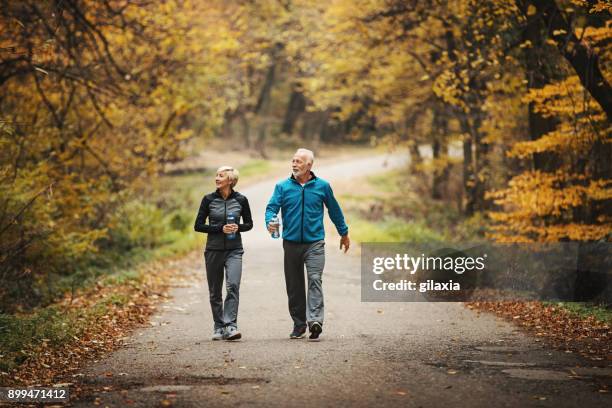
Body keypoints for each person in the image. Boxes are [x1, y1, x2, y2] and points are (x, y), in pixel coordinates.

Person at [265, 148, 350, 341]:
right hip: (291, 243)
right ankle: (299, 324)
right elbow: (271, 208)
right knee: (294, 286)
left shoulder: (322, 186)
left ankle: (315, 321)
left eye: (299, 161)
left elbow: (334, 210)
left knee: (314, 279)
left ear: (309, 165)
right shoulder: (282, 187)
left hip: (315, 243)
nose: (294, 164)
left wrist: (343, 233)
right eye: (293, 160)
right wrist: (270, 221)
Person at [194, 166, 253, 341]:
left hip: (234, 250)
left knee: (233, 285)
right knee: (214, 291)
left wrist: (238, 227)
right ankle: (218, 326)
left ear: (230, 180)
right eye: (216, 175)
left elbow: (249, 224)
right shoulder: (208, 200)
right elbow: (198, 225)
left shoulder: (241, 200)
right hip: (213, 250)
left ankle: (230, 325)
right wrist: (220, 228)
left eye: (221, 176)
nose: (217, 178)